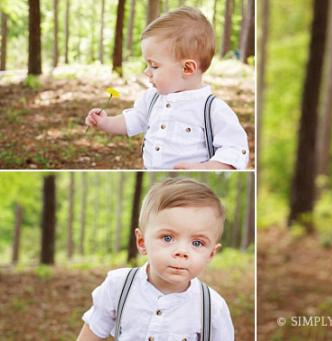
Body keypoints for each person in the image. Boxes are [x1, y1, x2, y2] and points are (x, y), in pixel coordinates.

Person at [85, 7, 249, 170]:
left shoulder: (213, 109)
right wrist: (106, 122)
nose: (146, 71)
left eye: (154, 66)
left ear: (187, 69)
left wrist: (207, 167)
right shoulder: (152, 98)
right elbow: (133, 120)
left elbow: (236, 149)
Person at [77, 178, 234, 340]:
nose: (181, 252)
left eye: (197, 243)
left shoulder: (212, 307)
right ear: (142, 242)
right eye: (167, 238)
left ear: (211, 254)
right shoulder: (118, 286)